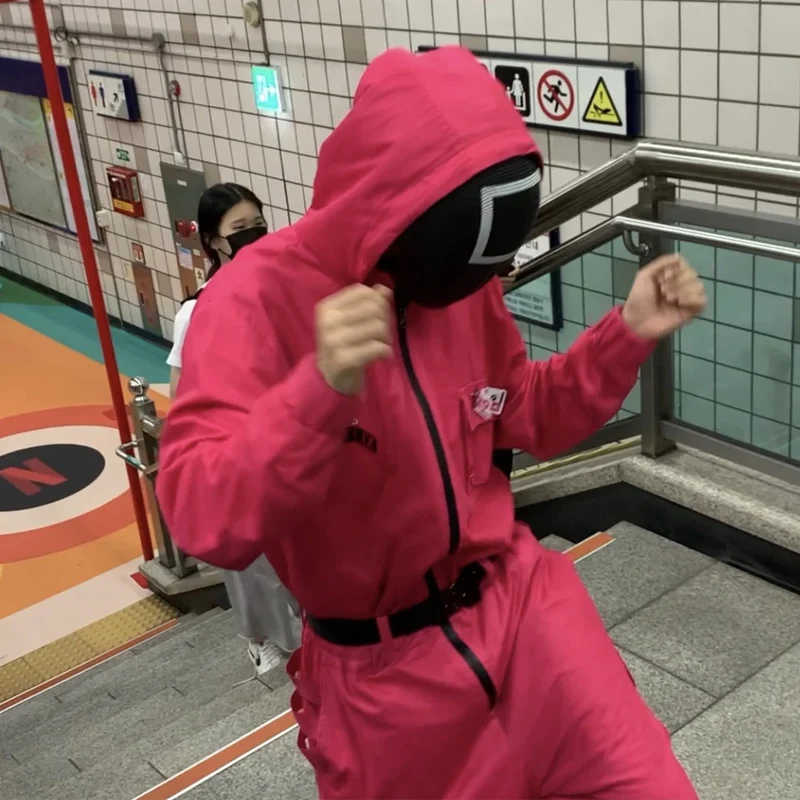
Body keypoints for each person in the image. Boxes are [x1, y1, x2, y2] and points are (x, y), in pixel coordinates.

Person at [157, 47, 704, 799]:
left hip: (524, 617)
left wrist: (625, 335)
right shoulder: (250, 301)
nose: (474, 284)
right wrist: (319, 391)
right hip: (383, 690)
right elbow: (202, 515)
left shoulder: (454, 282)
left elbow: (520, 408)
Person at [166, 183, 301, 677]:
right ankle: (264, 641)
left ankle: (310, 638)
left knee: (299, 550)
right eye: (239, 229)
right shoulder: (196, 310)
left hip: (290, 439)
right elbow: (181, 389)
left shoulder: (284, 286)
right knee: (252, 561)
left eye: (258, 224)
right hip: (238, 450)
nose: (254, 235)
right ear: (213, 241)